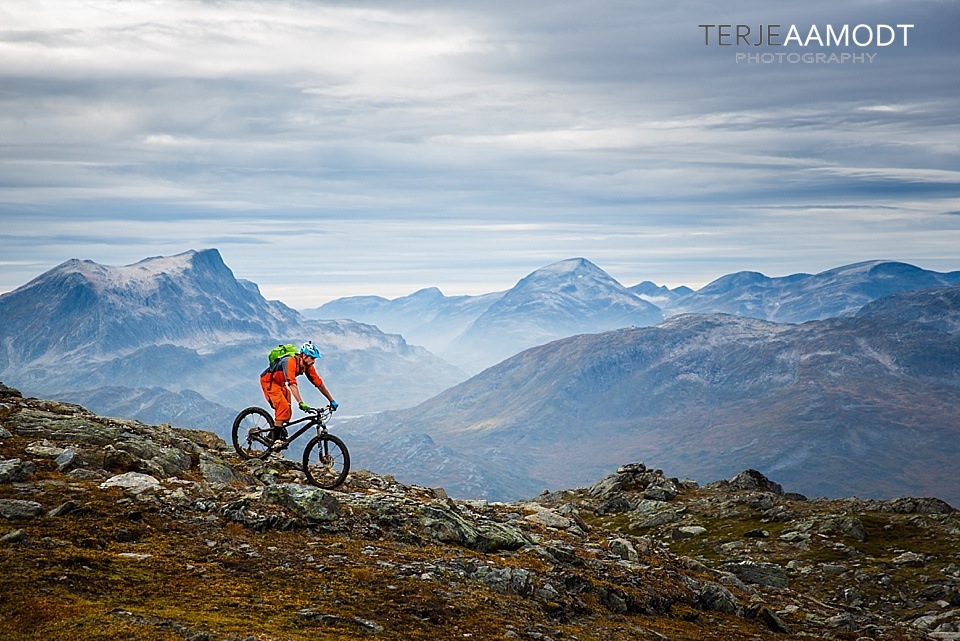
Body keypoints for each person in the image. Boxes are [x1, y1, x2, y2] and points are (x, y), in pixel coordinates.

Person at [259, 340, 338, 439]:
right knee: (283, 407)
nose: (313, 361)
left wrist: (331, 400)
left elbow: (319, 384)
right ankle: (274, 440)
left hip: (280, 383)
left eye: (315, 359)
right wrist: (300, 402)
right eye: (312, 358)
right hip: (269, 381)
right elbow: (292, 384)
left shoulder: (308, 366)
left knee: (287, 411)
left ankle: (273, 434)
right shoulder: (290, 362)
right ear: (304, 356)